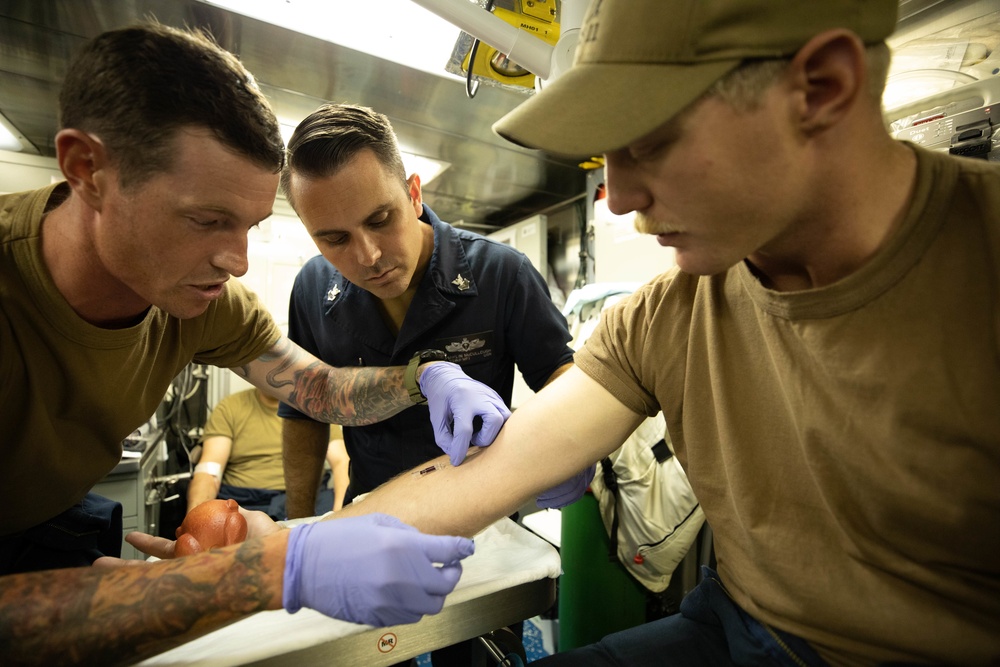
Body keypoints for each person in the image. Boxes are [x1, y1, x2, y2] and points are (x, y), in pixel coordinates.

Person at [320, 0, 1000, 664]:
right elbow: (500, 469)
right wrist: (280, 559)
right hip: (730, 621)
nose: (617, 194)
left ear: (821, 88)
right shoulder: (671, 311)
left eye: (648, 140)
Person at [0, 21, 507, 664]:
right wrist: (266, 573)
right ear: (86, 169)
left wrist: (427, 377)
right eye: (207, 221)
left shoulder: (201, 302)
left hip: (50, 527)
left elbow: (316, 388)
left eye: (249, 226)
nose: (237, 262)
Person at [277, 102, 584, 666]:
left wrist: (570, 447)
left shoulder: (500, 273)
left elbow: (562, 380)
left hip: (480, 520)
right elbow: (303, 411)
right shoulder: (312, 290)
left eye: (380, 219)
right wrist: (299, 523)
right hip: (370, 511)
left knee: (479, 650)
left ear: (414, 192)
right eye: (334, 238)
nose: (367, 256)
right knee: (371, 652)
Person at [187, 388, 351, 518]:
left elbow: (341, 462)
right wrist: (197, 520)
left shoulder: (311, 406)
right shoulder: (231, 407)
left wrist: (339, 516)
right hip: (246, 501)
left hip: (308, 497)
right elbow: (209, 470)